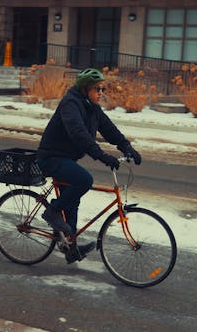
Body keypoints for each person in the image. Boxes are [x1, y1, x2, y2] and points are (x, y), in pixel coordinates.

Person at [37, 68, 142, 264]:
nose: (101, 93)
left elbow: (109, 129)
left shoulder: (92, 107)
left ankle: (71, 247)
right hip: (51, 158)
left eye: (103, 89)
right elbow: (78, 133)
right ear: (85, 89)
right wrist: (101, 156)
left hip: (66, 159)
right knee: (84, 180)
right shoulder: (71, 104)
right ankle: (52, 211)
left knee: (72, 201)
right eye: (97, 89)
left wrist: (127, 147)